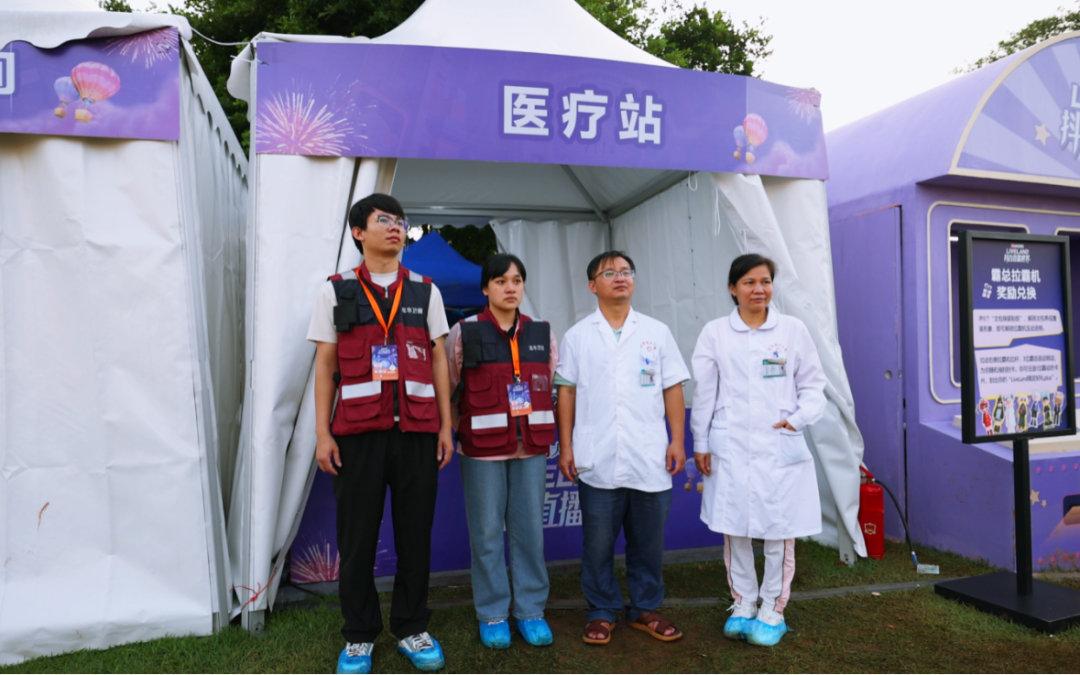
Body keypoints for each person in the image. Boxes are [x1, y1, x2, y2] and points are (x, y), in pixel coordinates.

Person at [308, 193, 455, 674]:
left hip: (417, 432)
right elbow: (325, 364)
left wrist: (445, 426)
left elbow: (438, 359)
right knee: (357, 540)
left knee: (415, 537)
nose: (395, 227)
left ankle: (412, 627)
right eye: (383, 219)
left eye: (400, 221)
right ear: (358, 232)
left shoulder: (426, 291)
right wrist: (323, 433)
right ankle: (359, 635)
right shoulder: (336, 291)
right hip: (357, 435)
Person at [690, 253, 827, 648]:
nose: (759, 289)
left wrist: (797, 420)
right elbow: (704, 393)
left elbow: (814, 386)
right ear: (733, 288)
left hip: (777, 445)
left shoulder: (792, 330)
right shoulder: (716, 333)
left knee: (778, 530)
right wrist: (701, 441)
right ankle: (744, 602)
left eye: (765, 281)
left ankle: (773, 608)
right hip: (730, 446)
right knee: (735, 527)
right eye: (749, 282)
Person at [555, 251, 691, 646]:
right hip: (597, 458)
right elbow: (566, 393)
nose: (620, 277)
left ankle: (645, 608)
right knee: (597, 544)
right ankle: (601, 610)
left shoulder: (656, 332)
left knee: (648, 543)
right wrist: (566, 446)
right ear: (592, 285)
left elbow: (672, 387)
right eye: (609, 272)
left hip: (649, 456)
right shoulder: (578, 336)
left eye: (626, 271)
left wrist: (677, 440)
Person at [446, 253, 557, 650]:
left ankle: (531, 611)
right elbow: (449, 388)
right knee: (487, 533)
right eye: (500, 281)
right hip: (481, 451)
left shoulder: (542, 332)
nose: (510, 288)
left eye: (517, 280)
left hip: (530, 449)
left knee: (530, 533)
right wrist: (458, 430)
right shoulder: (464, 332)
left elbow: (549, 385)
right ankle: (492, 613)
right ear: (485, 288)